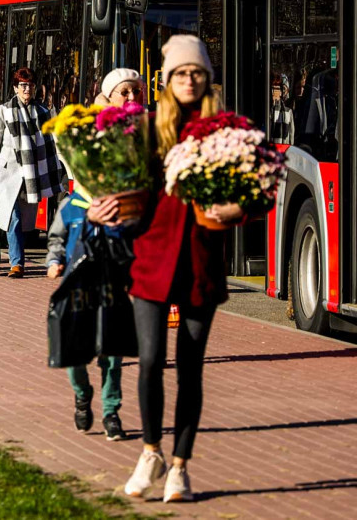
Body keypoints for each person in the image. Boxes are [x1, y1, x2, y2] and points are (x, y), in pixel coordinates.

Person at [122, 35, 234, 503]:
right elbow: (123, 190)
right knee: (150, 362)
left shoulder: (226, 131)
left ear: (207, 77)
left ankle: (181, 467)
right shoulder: (148, 128)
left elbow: (255, 188)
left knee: (191, 367)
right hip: (151, 261)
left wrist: (239, 210)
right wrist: (109, 207)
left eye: (197, 72)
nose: (189, 79)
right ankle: (151, 452)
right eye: (180, 73)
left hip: (200, 263)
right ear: (166, 80)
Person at [45, 189, 128, 442]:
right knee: (74, 355)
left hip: (109, 289)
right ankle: (82, 396)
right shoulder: (72, 204)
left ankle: (111, 413)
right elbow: (56, 238)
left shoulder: (119, 205)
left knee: (111, 355)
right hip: (77, 291)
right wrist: (53, 261)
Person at [0, 67, 66, 278]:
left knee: (27, 223)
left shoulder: (43, 112)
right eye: (23, 85)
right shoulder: (4, 111)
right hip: (7, 175)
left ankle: (18, 259)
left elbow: (49, 148)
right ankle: (16, 264)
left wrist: (55, 175)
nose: (27, 89)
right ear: (16, 88)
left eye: (30, 85)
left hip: (31, 175)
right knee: (13, 216)